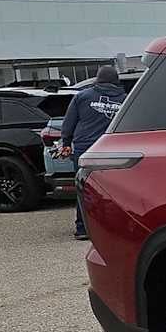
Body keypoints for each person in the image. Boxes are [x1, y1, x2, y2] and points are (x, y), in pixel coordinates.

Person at [59, 66, 127, 240]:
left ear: (98, 79)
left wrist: (66, 142)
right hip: (113, 150)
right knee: (113, 190)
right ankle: (111, 228)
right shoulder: (126, 100)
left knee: (84, 189)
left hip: (85, 149)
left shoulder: (82, 97)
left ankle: (83, 228)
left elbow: (68, 124)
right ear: (116, 80)